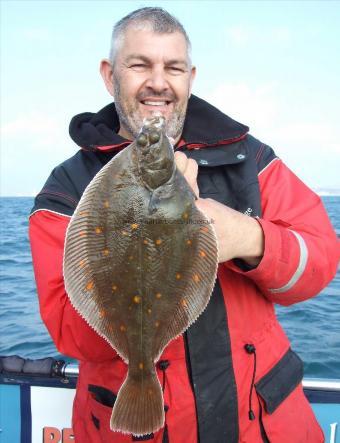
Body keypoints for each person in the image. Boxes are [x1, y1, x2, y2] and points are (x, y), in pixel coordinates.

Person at [29, 7, 339, 443]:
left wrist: (248, 238)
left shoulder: (248, 159)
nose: (158, 81)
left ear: (190, 77)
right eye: (140, 64)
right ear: (109, 74)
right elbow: (66, 323)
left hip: (264, 423)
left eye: (173, 67)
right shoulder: (67, 187)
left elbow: (320, 264)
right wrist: (151, 245)